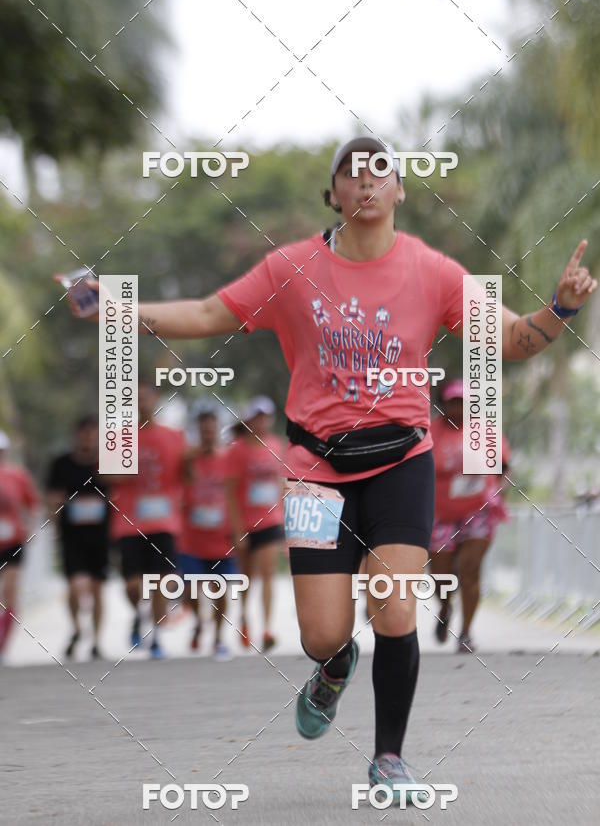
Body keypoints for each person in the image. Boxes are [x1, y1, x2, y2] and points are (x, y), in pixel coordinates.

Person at [69, 136, 597, 803]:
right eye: (352, 173)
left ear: (400, 190)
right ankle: (335, 665)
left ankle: (389, 757)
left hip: (401, 462)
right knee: (321, 633)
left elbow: (513, 339)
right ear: (334, 194)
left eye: (381, 171)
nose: (367, 181)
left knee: (393, 604)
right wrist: (117, 309)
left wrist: (561, 307)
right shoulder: (291, 268)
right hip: (315, 471)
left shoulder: (433, 272)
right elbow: (207, 313)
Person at [428, 380, 511, 653]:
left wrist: (499, 492)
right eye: (453, 402)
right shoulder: (430, 432)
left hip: (478, 511)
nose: (458, 408)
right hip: (440, 512)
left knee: (470, 568)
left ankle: (465, 633)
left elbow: (504, 468)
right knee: (440, 575)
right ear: (444, 404)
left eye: (463, 403)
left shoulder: (486, 432)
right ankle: (445, 607)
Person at [110, 379, 186, 660]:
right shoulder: (120, 436)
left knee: (161, 582)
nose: (142, 402)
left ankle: (156, 636)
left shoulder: (174, 436)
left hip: (164, 521)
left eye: (146, 397)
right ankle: (139, 615)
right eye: (136, 398)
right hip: (129, 522)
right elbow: (105, 475)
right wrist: (125, 470)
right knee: (133, 586)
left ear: (155, 400)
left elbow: (187, 473)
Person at [46, 416, 110, 660]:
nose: (88, 439)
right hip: (71, 536)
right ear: (77, 435)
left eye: (93, 434)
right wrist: (54, 522)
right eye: (84, 433)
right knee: (75, 586)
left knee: (97, 588)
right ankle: (76, 628)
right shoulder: (61, 464)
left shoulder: (107, 464)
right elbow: (52, 497)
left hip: (100, 536)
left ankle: (97, 641)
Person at [223, 396, 284, 653]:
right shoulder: (237, 450)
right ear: (249, 420)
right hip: (246, 523)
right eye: (257, 417)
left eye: (266, 417)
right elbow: (230, 492)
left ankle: (268, 628)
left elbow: (281, 483)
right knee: (247, 577)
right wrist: (238, 529)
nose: (262, 422)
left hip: (270, 520)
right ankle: (244, 616)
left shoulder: (276, 444)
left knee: (268, 572)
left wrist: (285, 518)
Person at [180, 405, 238, 660]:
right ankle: (198, 620)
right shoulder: (187, 459)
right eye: (203, 430)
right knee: (191, 588)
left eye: (211, 429)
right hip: (191, 537)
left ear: (218, 430)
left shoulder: (229, 458)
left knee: (221, 589)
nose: (208, 434)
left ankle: (218, 638)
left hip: (222, 536)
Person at [0, 431, 38, 661]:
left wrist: (29, 529)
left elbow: (32, 505)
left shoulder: (17, 476)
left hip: (12, 542)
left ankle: (2, 645)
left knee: (10, 593)